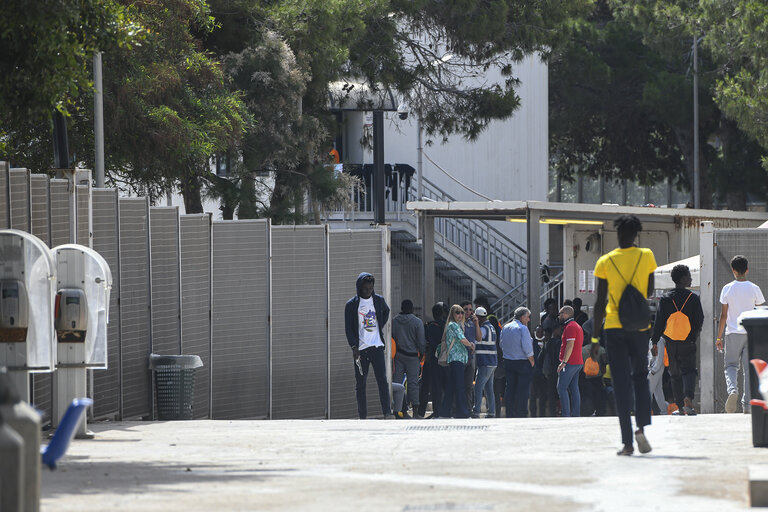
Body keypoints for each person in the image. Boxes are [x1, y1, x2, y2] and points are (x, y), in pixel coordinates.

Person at [592, 215, 657, 455]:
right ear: (636, 234)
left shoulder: (605, 261)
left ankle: (628, 443)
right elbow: (649, 290)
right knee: (641, 377)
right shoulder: (646, 255)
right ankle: (641, 428)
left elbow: (599, 303)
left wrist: (595, 338)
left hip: (614, 327)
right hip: (639, 328)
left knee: (620, 384)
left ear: (618, 234)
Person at [650, 264, 703, 416]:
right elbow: (699, 319)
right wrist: (693, 335)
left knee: (675, 374)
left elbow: (659, 322)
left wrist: (655, 341)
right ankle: (688, 398)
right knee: (689, 371)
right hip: (688, 341)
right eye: (688, 276)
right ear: (682, 279)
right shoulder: (693, 298)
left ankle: (680, 407)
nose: (691, 279)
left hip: (671, 342)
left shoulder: (666, 299)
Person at [716, 255, 765, 413]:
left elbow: (723, 315)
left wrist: (718, 337)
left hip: (732, 333)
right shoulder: (754, 288)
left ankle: (732, 391)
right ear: (747, 270)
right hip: (751, 333)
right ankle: (747, 405)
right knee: (748, 368)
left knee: (730, 365)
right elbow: (759, 310)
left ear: (733, 270)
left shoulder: (727, 288)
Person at [344, 272, 392, 419]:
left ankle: (387, 413)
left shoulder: (378, 300)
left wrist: (379, 326)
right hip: (361, 350)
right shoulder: (351, 305)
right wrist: (354, 346)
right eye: (365, 289)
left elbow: (386, 311)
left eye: (370, 289)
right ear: (359, 288)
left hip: (376, 347)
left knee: (382, 381)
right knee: (361, 384)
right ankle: (362, 416)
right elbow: (348, 328)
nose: (368, 291)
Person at [437, 304, 475, 418]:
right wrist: (471, 345)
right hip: (456, 358)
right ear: (452, 314)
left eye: (462, 312)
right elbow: (462, 339)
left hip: (457, 359)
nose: (460, 315)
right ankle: (462, 412)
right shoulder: (453, 325)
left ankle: (445, 412)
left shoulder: (455, 325)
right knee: (459, 386)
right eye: (457, 312)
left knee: (451, 387)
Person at [392, 299, 426, 418]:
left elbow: (392, 338)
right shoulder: (417, 322)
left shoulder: (394, 321)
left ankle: (399, 411)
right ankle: (415, 412)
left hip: (399, 356)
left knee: (397, 384)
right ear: (411, 309)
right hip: (412, 357)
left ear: (401, 308)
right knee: (413, 384)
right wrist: (422, 354)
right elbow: (421, 342)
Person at [500, 307, 535, 418]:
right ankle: (522, 413)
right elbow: (527, 348)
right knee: (523, 389)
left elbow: (501, 344)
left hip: (508, 361)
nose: (529, 320)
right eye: (528, 317)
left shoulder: (505, 327)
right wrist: (532, 361)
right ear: (522, 317)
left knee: (510, 387)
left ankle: (509, 412)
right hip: (522, 362)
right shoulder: (522, 329)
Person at [418, 302, 447, 418]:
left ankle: (420, 412)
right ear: (443, 313)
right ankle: (439, 411)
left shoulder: (429, 326)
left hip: (431, 360)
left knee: (426, 387)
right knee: (440, 387)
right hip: (444, 360)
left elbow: (425, 342)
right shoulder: (446, 326)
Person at [556, 306, 584, 417]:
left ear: (566, 314)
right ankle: (576, 414)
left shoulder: (570, 327)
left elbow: (570, 345)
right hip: (577, 362)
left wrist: (564, 362)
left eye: (560, 313)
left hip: (570, 362)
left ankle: (566, 414)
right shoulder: (576, 326)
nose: (559, 316)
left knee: (561, 388)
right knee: (574, 388)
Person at [472, 307, 498, 418]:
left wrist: (476, 325)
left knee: (478, 387)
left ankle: (476, 411)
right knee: (489, 389)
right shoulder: (491, 327)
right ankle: (491, 412)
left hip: (485, 362)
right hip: (492, 362)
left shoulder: (483, 328)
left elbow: (478, 338)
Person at [461, 301, 481, 412]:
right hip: (461, 357)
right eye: (465, 309)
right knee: (459, 384)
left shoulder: (472, 323)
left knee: (469, 385)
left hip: (471, 357)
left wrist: (477, 323)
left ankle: (468, 409)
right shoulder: (459, 323)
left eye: (470, 310)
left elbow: (479, 338)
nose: (468, 312)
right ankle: (458, 408)